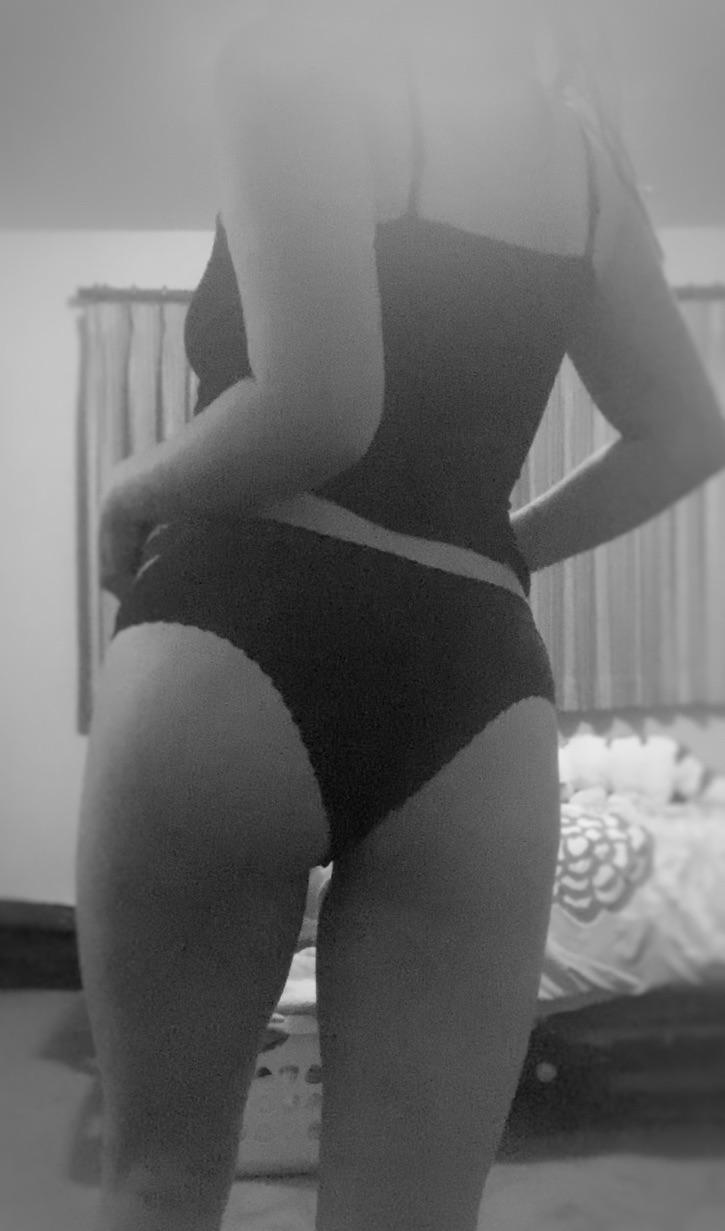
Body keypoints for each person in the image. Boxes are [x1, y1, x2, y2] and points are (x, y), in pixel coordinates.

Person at [75, 1, 725, 1229]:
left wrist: (131, 486)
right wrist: (494, 554)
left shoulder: (293, 59)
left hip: (239, 625)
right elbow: (685, 433)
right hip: (472, 682)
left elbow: (320, 409)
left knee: (158, 1181)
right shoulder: (583, 159)